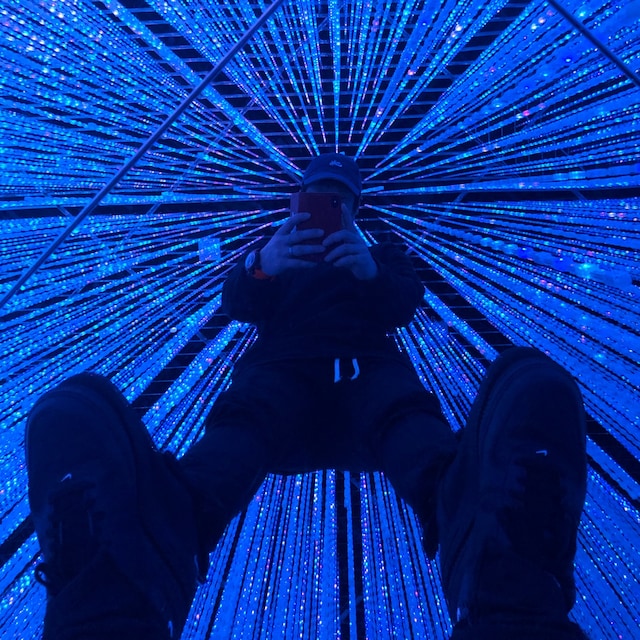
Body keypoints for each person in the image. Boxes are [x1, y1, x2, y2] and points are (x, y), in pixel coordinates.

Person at [25, 153, 589, 640]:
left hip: (364, 368)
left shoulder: (380, 250)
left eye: (339, 198)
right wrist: (262, 267)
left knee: (400, 420)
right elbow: (236, 301)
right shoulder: (277, 246)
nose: (328, 204)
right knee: (246, 429)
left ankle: (482, 528)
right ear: (299, 197)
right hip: (283, 371)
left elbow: (404, 303)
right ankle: (497, 556)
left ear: (355, 207)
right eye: (319, 193)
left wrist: (370, 270)